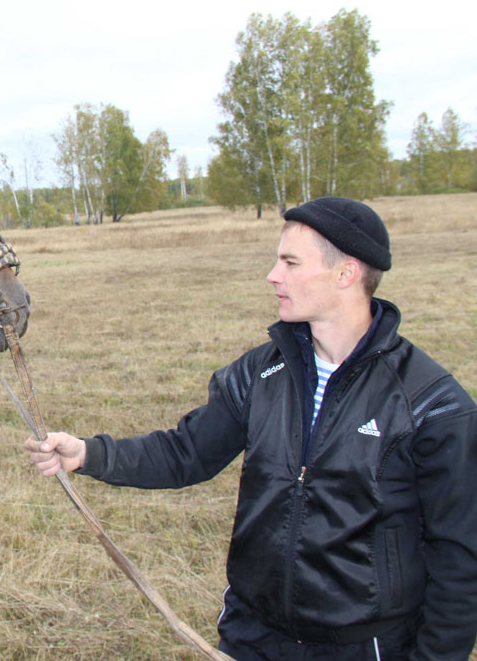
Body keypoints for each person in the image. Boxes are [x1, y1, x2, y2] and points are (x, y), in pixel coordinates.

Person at [25, 197, 477, 660]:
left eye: (290, 262)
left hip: (365, 647)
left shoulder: (429, 403)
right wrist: (87, 454)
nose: (272, 275)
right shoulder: (260, 374)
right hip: (253, 636)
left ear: (346, 274)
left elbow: (460, 559)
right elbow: (188, 452)